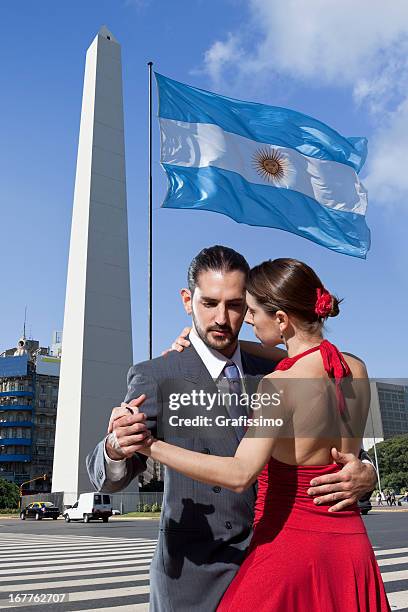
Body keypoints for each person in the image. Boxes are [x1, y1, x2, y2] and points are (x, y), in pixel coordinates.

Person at [86, 247, 378, 612]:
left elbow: (332, 456)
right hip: (196, 573)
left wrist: (365, 473)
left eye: (239, 306)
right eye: (209, 303)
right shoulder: (157, 374)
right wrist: (117, 446)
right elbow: (110, 478)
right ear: (187, 300)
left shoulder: (277, 370)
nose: (223, 318)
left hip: (283, 559)